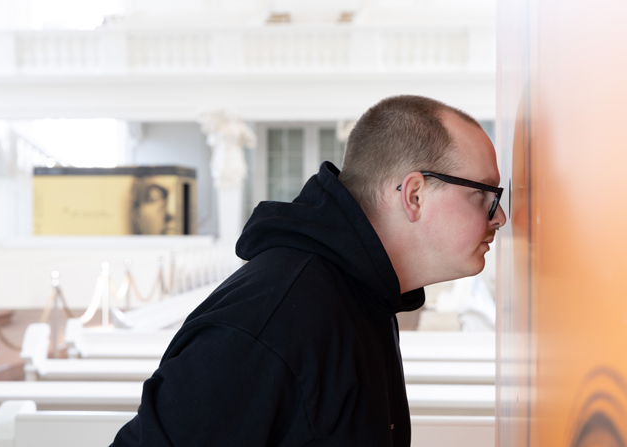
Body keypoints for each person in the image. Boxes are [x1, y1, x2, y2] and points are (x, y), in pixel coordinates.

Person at [111, 95, 506, 446]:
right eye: (483, 195)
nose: (500, 217)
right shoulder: (275, 320)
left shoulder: (362, 295)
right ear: (414, 195)